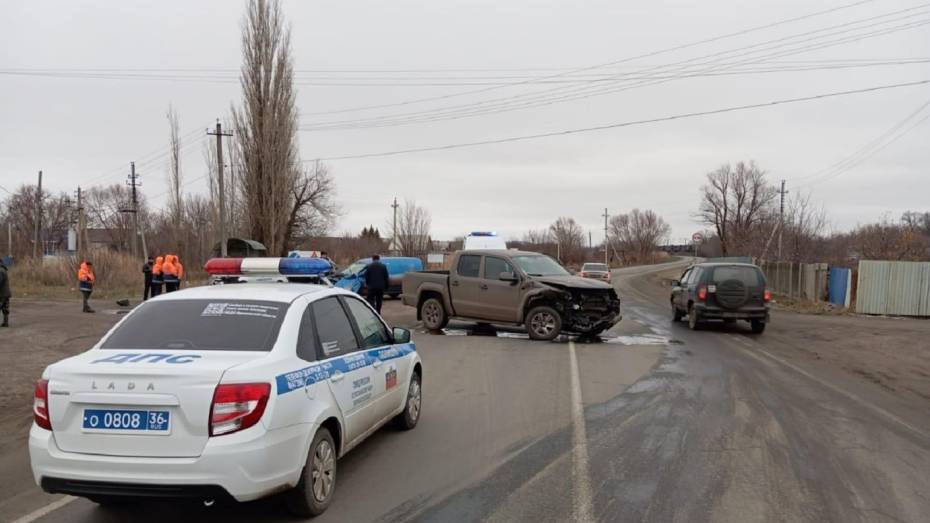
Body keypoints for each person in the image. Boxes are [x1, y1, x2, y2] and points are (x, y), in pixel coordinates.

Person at [0, 259, 10, 327]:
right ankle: (5, 322)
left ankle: (5, 323)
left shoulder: (0, 270)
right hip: (6, 293)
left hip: (2, 293)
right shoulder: (4, 269)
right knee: (5, 308)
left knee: (3, 307)